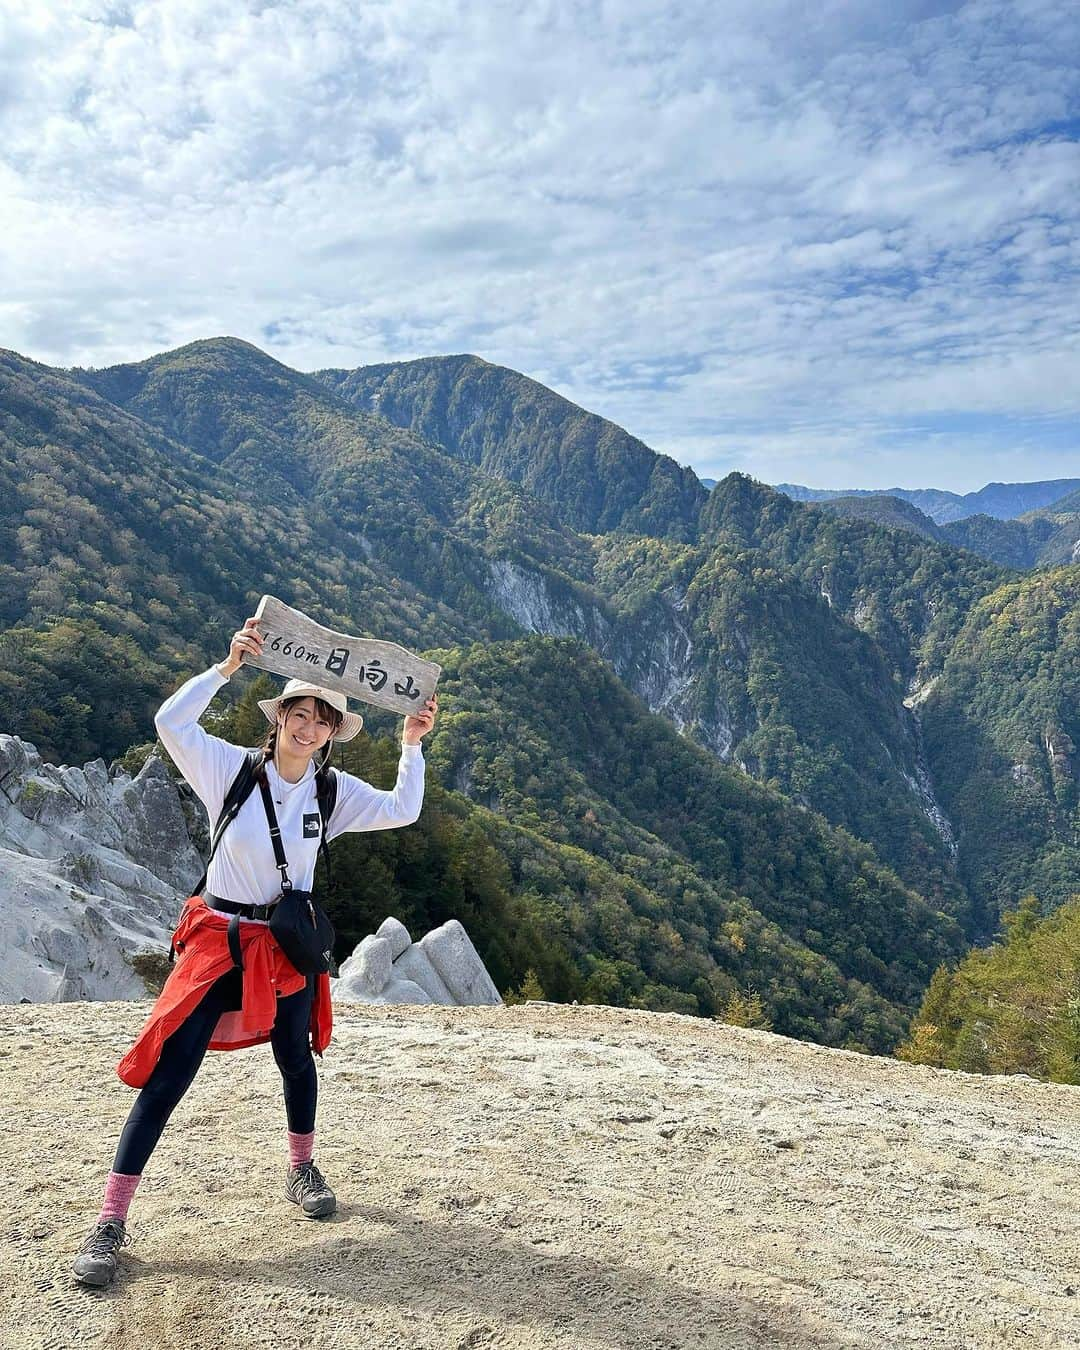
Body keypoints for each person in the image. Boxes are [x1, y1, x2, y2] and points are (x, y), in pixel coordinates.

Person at [72, 615, 437, 1287]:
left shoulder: (330, 792)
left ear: (332, 733)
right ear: (279, 719)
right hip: (218, 941)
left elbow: (402, 807)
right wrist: (226, 669)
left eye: (321, 720)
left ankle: (301, 1168)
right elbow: (171, 723)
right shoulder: (231, 771)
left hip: (283, 947)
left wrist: (411, 743)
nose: (308, 728)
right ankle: (110, 1223)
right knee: (170, 1074)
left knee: (295, 1057)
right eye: (299, 714)